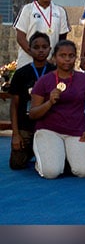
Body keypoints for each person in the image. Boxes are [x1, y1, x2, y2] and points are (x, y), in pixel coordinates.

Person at [28, 40, 85, 179]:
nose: (67, 59)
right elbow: (33, 113)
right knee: (51, 173)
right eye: (62, 55)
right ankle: (44, 160)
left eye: (71, 55)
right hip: (48, 130)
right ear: (54, 57)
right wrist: (49, 102)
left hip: (75, 131)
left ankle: (65, 159)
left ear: (75, 58)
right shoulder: (44, 81)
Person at [8, 32, 56, 169]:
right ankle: (32, 151)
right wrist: (16, 134)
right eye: (36, 47)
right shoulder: (21, 74)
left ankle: (43, 153)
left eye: (44, 47)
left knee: (58, 165)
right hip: (26, 127)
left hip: (49, 126)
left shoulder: (55, 72)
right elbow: (14, 106)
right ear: (29, 49)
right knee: (17, 164)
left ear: (50, 49)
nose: (41, 50)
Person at [13, 0, 70, 69]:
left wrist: (55, 57)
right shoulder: (28, 9)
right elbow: (20, 37)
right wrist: (35, 54)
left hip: (50, 62)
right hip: (28, 61)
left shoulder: (60, 11)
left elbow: (62, 39)